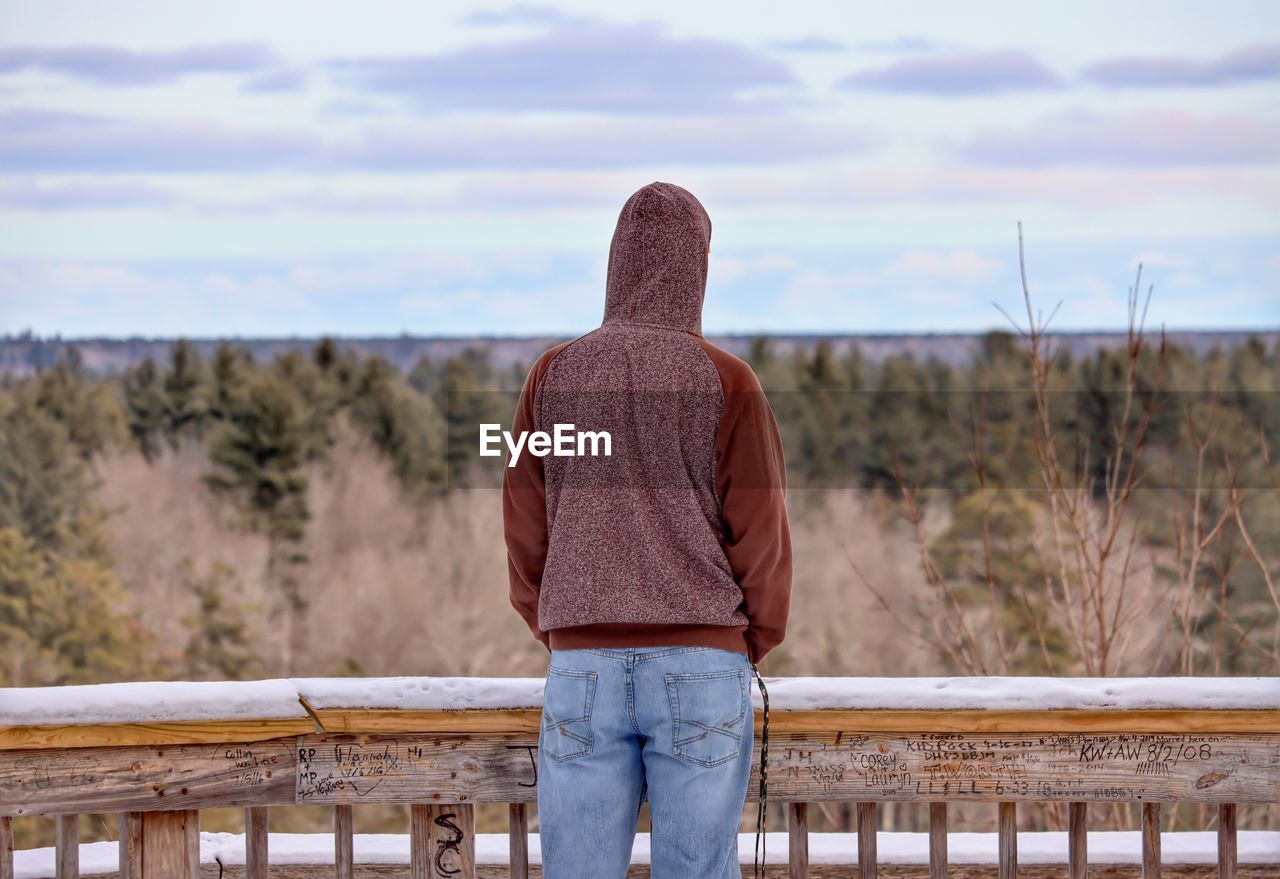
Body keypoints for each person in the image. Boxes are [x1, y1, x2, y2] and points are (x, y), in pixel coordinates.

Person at [503, 180, 792, 879]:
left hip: (582, 670)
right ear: (697, 264)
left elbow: (524, 524)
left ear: (616, 263)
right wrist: (750, 638)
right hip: (702, 663)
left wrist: (560, 626)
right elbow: (760, 531)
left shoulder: (552, 376)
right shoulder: (726, 380)